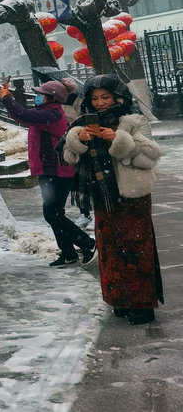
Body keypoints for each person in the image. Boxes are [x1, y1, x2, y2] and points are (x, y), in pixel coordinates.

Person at [62, 75, 163, 325]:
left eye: (105, 97)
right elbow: (68, 157)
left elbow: (150, 157)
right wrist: (78, 140)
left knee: (137, 250)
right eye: (95, 98)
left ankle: (141, 304)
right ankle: (119, 299)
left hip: (132, 197)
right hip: (102, 198)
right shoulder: (83, 123)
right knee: (111, 251)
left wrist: (117, 140)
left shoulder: (134, 120)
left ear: (118, 97)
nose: (100, 103)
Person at [0, 79, 96, 267]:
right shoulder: (45, 112)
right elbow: (23, 114)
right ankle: (68, 253)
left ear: (50, 98)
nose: (37, 96)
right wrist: (9, 98)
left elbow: (22, 114)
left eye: (40, 94)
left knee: (53, 215)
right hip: (50, 171)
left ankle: (88, 244)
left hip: (57, 171)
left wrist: (6, 99)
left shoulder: (51, 114)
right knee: (54, 213)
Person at [59, 76, 92, 227]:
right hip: (73, 143)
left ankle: (91, 213)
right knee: (79, 182)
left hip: (85, 141)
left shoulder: (82, 101)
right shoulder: (60, 103)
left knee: (88, 182)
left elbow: (83, 119)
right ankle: (84, 213)